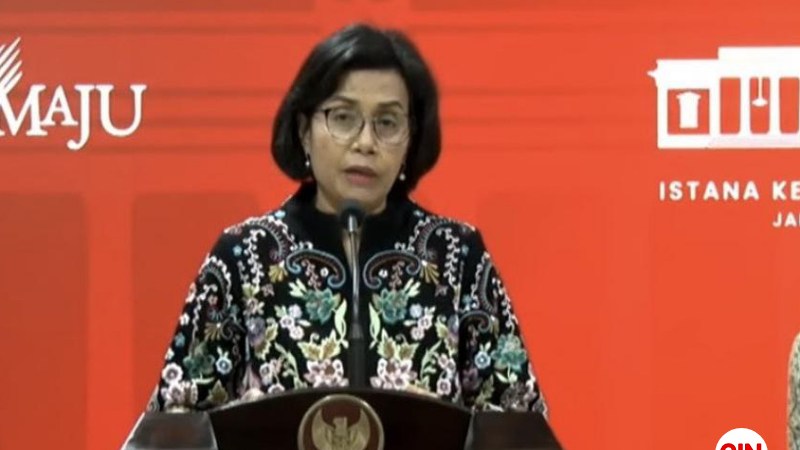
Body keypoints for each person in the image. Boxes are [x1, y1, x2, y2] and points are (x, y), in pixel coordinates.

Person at [147, 23, 548, 416]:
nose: (366, 143)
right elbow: (173, 422)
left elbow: (521, 422)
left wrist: (441, 427)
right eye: (342, 118)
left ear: (410, 139)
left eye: (387, 123)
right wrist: (247, 425)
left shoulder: (455, 255)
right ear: (304, 130)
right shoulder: (244, 255)